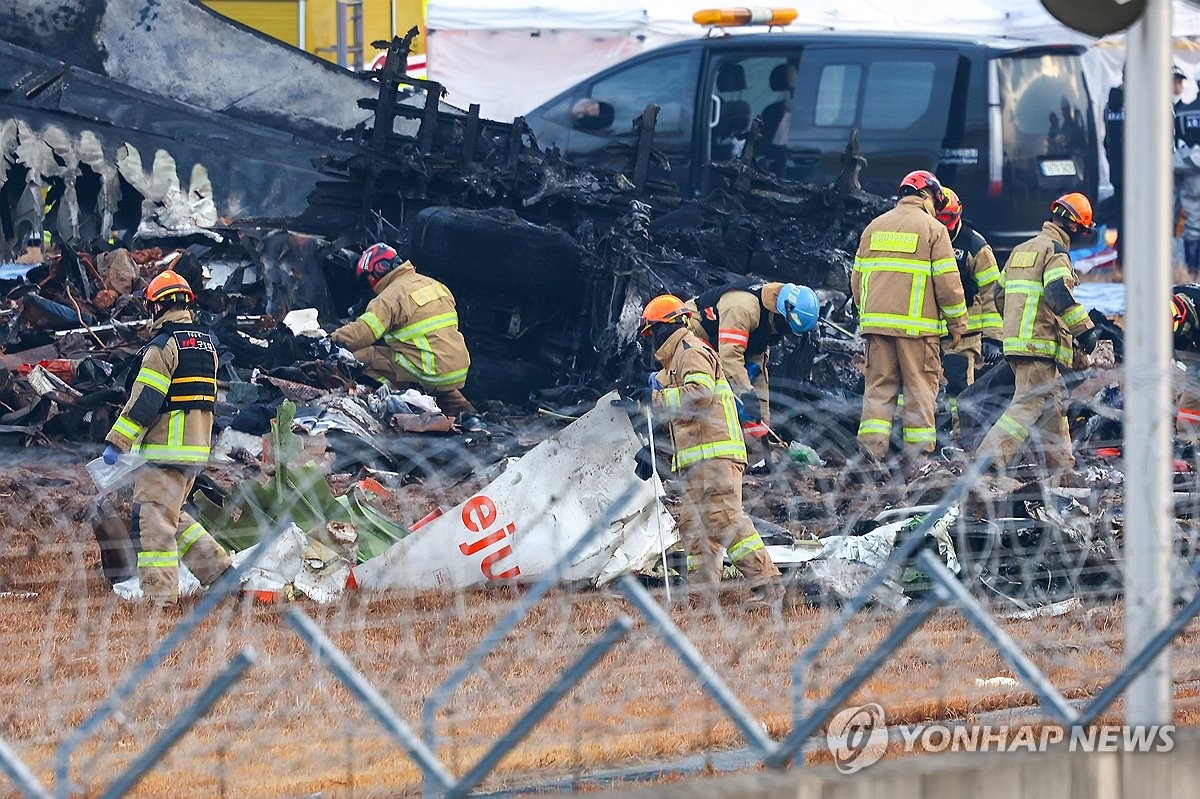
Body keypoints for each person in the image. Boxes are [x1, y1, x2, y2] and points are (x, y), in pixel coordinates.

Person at [636, 294, 784, 613]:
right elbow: (676, 411)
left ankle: (768, 584)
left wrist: (656, 399)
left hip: (715, 454)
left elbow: (699, 395)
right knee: (696, 527)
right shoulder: (674, 362)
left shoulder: (691, 351)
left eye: (654, 332)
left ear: (671, 326)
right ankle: (699, 599)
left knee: (724, 518)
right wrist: (651, 449)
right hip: (694, 460)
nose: (652, 339)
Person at [103, 270, 232, 608]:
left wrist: (117, 442)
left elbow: (146, 399)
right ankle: (219, 572)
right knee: (173, 517)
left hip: (163, 450)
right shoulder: (206, 345)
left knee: (153, 522)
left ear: (156, 308)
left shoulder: (164, 346)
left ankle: (159, 599)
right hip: (194, 450)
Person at [975, 194, 1099, 484]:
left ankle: (1062, 473)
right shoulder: (1055, 252)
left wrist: (1015, 329)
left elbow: (999, 295)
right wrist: (1085, 330)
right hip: (1039, 345)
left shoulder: (1021, 249)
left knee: (1053, 407)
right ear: (1075, 228)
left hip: (1017, 343)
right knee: (1028, 404)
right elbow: (1058, 293)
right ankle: (987, 462)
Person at [852, 170, 968, 474]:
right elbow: (948, 284)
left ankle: (870, 457)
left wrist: (869, 315)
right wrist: (957, 325)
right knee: (919, 391)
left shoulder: (874, 227)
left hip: (877, 328)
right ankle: (918, 462)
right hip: (917, 332)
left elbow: (857, 279)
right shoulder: (933, 229)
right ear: (929, 197)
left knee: (878, 391)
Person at [331, 243, 482, 429]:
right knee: (423, 370)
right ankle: (467, 414)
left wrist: (330, 340)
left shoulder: (390, 295)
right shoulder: (434, 285)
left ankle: (404, 401)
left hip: (428, 369)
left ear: (378, 270)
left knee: (363, 356)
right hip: (455, 368)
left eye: (368, 277)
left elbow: (365, 332)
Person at [686, 280, 819, 439]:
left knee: (745, 387)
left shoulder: (766, 324)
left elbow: (759, 375)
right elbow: (730, 358)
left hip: (720, 343)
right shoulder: (743, 308)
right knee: (713, 386)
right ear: (781, 314)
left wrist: (762, 430)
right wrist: (746, 392)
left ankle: (752, 443)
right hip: (694, 332)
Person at [935, 187, 1002, 432]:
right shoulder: (926, 239)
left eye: (949, 220)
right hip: (927, 333)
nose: (945, 226)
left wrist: (993, 337)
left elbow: (992, 292)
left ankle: (960, 438)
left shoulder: (974, 246)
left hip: (963, 336)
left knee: (959, 388)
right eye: (939, 219)